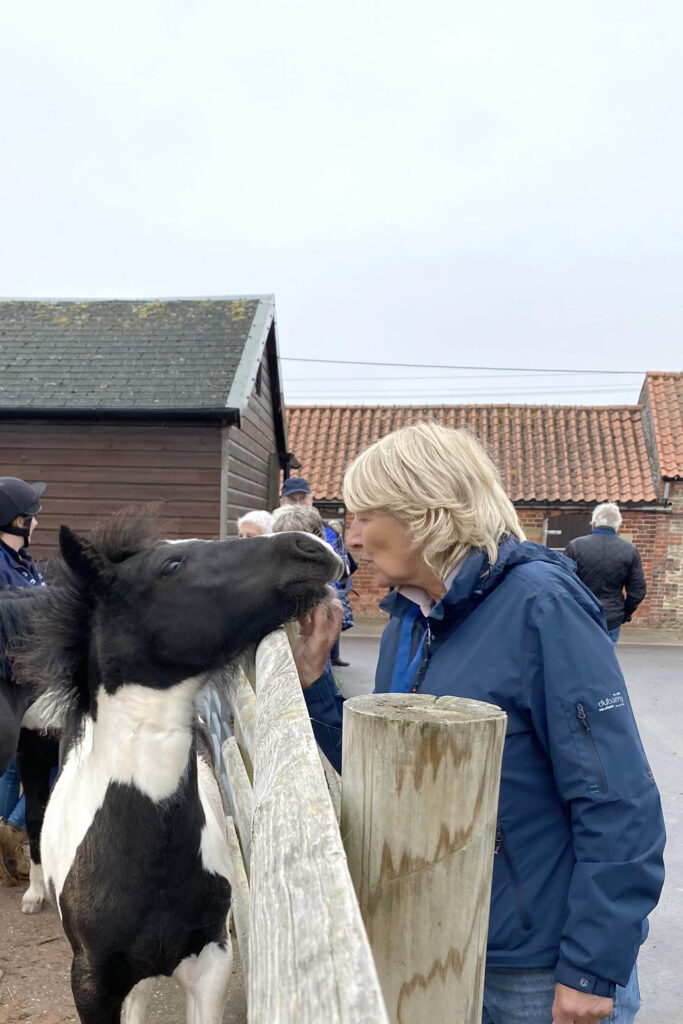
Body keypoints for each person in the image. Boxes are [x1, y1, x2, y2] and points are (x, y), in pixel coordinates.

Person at [294, 424, 665, 1024]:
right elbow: (388, 778)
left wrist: (592, 967)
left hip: (536, 969)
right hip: (439, 944)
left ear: (427, 511)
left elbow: (617, 797)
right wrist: (316, 687)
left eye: (364, 516)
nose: (352, 537)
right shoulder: (407, 623)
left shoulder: (542, 607)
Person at [0, 477, 47, 881]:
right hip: (17, 682)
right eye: (32, 515)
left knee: (21, 760)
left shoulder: (21, 562)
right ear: (17, 520)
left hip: (32, 679)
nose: (37, 522)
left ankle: (8, 829)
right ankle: (13, 828)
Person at [280, 477, 352, 666]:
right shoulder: (275, 531)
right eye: (291, 499)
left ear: (311, 500)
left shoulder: (328, 532)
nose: (298, 504)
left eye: (302, 498)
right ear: (282, 502)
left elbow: (341, 565)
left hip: (320, 601)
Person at [565, 503, 646, 644]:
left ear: (594, 523)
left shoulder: (575, 546)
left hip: (580, 613)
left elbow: (562, 582)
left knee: (578, 660)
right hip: (611, 618)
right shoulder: (629, 550)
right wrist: (625, 613)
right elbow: (637, 590)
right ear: (617, 525)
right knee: (606, 662)